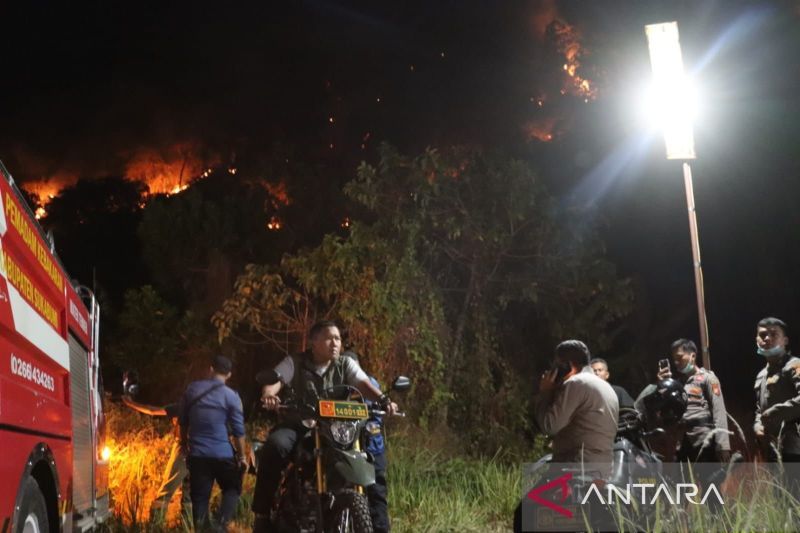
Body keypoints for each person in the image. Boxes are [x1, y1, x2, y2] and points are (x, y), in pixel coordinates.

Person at [252, 320, 398, 532]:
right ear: (314, 341)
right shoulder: (296, 362)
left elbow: (363, 384)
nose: (335, 343)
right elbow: (276, 380)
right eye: (330, 338)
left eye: (338, 338)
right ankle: (262, 514)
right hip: (300, 424)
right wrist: (268, 396)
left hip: (334, 429)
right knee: (275, 446)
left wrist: (383, 400)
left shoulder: (345, 364)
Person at [179, 355, 247, 531]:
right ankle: (221, 524)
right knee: (233, 488)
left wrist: (183, 444)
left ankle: (202, 529)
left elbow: (183, 421)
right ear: (229, 374)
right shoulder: (232, 396)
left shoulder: (192, 389)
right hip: (223, 455)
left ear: (211, 369)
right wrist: (242, 456)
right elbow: (239, 432)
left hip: (198, 456)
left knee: (200, 499)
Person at [534, 340, 619, 478]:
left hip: (575, 470)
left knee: (530, 499)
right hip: (603, 472)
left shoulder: (576, 383)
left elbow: (549, 425)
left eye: (557, 364)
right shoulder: (606, 387)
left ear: (568, 365)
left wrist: (545, 392)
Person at [657, 339, 731, 463]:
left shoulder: (708, 378)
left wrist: (723, 445)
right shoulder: (678, 384)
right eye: (674, 359)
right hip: (682, 441)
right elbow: (666, 411)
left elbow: (719, 410)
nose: (676, 362)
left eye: (679, 357)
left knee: (709, 481)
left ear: (692, 356)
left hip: (703, 439)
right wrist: (663, 385)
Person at [120, 395, 190, 521]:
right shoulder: (207, 407)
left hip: (183, 451)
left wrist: (130, 403)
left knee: (165, 492)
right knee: (190, 494)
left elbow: (152, 410)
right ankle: (188, 526)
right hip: (203, 455)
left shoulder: (183, 406)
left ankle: (155, 525)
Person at [342, 349, 390, 533]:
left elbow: (382, 404)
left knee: (377, 492)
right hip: (343, 444)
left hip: (371, 446)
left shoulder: (370, 384)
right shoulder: (335, 385)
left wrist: (386, 405)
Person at [753, 317, 800, 462]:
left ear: (785, 340)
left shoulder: (794, 365)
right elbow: (759, 409)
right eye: (762, 335)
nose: (767, 338)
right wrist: (757, 424)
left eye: (774, 334)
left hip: (794, 447)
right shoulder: (761, 375)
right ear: (756, 340)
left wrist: (777, 412)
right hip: (771, 448)